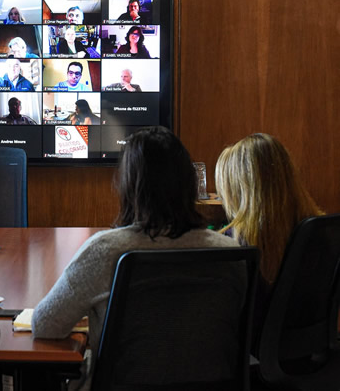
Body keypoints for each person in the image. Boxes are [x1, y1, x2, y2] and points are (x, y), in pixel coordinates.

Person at [31, 126, 238, 390]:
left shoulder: (104, 251)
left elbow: (45, 325)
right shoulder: (229, 253)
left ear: (129, 186)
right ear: (188, 182)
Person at [215, 133, 322, 345]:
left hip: (253, 362)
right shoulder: (319, 232)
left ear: (239, 190)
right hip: (312, 358)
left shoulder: (232, 246)